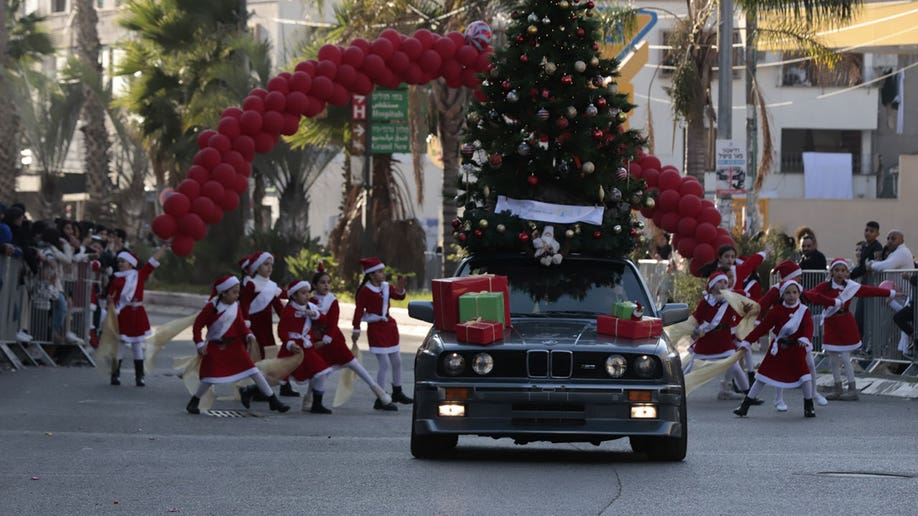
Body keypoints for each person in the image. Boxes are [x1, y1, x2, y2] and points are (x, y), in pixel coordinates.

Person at [187, 275, 289, 414]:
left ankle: (273, 400)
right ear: (223, 293)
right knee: (209, 377)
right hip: (216, 346)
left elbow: (240, 325)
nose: (237, 295)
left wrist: (248, 334)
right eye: (234, 292)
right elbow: (197, 326)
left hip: (235, 346)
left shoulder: (235, 307)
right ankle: (195, 401)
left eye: (238, 292)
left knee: (254, 371)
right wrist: (199, 344)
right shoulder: (211, 307)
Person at [806, 258, 899, 401]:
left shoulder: (851, 287)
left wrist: (890, 293)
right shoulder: (824, 286)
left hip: (845, 324)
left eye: (843, 270)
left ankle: (852, 388)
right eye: (836, 270)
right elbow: (811, 295)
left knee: (845, 357)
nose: (839, 273)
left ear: (847, 272)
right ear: (831, 272)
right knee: (833, 359)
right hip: (831, 324)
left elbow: (870, 291)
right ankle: (838, 388)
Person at [310, 264, 396, 411]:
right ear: (314, 285)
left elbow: (332, 322)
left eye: (328, 282)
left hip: (334, 341)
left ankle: (382, 395)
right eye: (322, 283)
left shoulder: (332, 300)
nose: (326, 286)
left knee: (355, 365)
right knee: (320, 372)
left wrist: (325, 336)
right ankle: (313, 402)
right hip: (318, 342)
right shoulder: (310, 302)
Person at [756, 260, 834, 409]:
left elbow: (813, 297)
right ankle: (778, 399)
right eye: (798, 276)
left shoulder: (796, 289)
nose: (800, 279)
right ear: (790, 277)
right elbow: (761, 306)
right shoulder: (775, 290)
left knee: (810, 364)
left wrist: (833, 301)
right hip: (780, 335)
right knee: (779, 367)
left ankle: (813, 392)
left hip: (799, 336)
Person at [734, 279, 817, 418]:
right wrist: (747, 341)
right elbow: (763, 327)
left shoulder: (804, 311)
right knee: (761, 377)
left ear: (799, 293)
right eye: (788, 293)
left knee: (805, 377)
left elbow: (808, 327)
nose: (791, 296)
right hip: (778, 350)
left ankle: (809, 406)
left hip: (796, 349)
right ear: (782, 295)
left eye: (794, 292)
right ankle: (745, 406)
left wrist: (805, 339)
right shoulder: (777, 310)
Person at [351, 257, 413, 406]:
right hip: (376, 328)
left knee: (397, 361)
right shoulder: (365, 291)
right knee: (384, 363)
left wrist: (400, 289)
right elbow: (359, 310)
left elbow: (399, 296)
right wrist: (356, 328)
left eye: (383, 271)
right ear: (371, 275)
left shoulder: (386, 287)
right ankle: (381, 396)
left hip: (389, 327)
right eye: (379, 272)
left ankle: (397, 391)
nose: (383, 274)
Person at [685, 271, 752, 401]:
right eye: (720, 282)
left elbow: (744, 295)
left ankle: (749, 395)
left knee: (735, 367)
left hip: (724, 340)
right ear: (712, 285)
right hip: (707, 341)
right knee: (691, 366)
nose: (723, 284)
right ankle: (678, 388)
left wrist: (730, 296)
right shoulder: (705, 302)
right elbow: (696, 317)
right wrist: (694, 330)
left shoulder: (730, 299)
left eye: (725, 282)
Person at [106, 247, 167, 387]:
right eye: (119, 261)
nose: (120, 264)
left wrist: (164, 248)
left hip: (137, 313)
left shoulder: (139, 275)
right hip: (122, 314)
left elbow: (152, 262)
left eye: (123, 261)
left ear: (131, 264)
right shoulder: (116, 278)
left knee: (136, 344)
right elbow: (111, 294)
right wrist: (110, 299)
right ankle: (115, 375)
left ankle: (140, 376)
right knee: (120, 344)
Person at [277, 279, 333, 414]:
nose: (307, 296)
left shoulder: (311, 307)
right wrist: (289, 343)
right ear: (294, 296)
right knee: (276, 376)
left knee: (321, 372)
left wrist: (315, 315)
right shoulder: (289, 310)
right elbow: (282, 330)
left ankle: (317, 403)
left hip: (307, 348)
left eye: (308, 292)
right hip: (293, 349)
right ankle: (252, 390)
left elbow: (324, 320)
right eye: (303, 293)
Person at [239, 251, 284, 361]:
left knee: (268, 351)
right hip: (253, 325)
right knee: (253, 352)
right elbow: (245, 304)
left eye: (271, 264)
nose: (269, 267)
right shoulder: (252, 284)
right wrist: (246, 321)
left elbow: (278, 307)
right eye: (265, 264)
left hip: (266, 325)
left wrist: (286, 320)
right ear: (257, 267)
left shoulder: (272, 286)